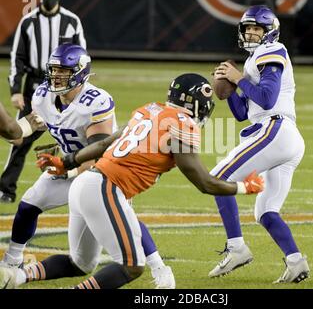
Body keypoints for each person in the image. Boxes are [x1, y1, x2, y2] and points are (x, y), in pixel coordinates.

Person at [0, 73, 264, 289]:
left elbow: (105, 143)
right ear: (196, 103)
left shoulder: (149, 110)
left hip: (86, 185)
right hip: (105, 188)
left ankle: (19, 276)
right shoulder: (182, 124)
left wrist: (66, 161)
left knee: (81, 264)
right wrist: (243, 187)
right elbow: (204, 183)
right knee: (131, 266)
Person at [0, 43, 177, 289]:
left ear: (81, 72)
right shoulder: (44, 96)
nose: (56, 76)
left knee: (125, 216)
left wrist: (67, 167)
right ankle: (12, 263)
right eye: (54, 70)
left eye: (63, 71)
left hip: (103, 170)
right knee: (30, 203)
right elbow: (21, 131)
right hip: (67, 165)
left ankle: (159, 268)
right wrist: (8, 123)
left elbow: (97, 154)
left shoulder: (95, 101)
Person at [208, 5, 309, 283]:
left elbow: (266, 98)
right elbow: (243, 113)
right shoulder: (255, 59)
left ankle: (237, 248)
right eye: (248, 28)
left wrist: (238, 78)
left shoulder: (272, 50)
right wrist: (227, 88)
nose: (251, 33)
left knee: (218, 178)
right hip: (283, 137)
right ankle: (296, 261)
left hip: (275, 129)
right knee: (265, 212)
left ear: (270, 32)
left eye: (257, 28)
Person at [0, 0, 86, 203]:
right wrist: (16, 91)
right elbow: (17, 57)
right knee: (20, 140)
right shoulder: (28, 21)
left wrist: (80, 88)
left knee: (79, 135)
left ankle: (83, 180)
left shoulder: (71, 21)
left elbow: (82, 58)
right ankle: (6, 189)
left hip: (68, 88)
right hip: (35, 88)